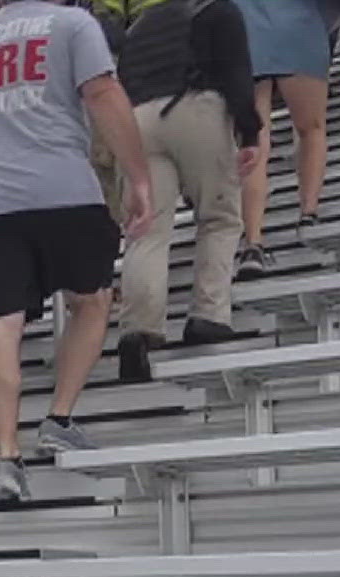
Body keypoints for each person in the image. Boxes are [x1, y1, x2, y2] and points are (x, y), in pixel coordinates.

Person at [0, 0, 154, 505]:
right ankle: (59, 417)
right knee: (92, 300)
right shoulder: (73, 24)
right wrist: (138, 176)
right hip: (63, 189)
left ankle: (6, 458)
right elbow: (101, 91)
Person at [93, 0, 261, 382]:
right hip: (196, 107)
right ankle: (209, 314)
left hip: (137, 120)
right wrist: (250, 132)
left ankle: (139, 328)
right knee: (219, 217)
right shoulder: (217, 11)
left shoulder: (141, 26)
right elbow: (236, 73)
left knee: (146, 228)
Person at [236, 0, 334, 279]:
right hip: (299, 29)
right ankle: (308, 213)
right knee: (311, 129)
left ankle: (252, 242)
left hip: (247, 35)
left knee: (254, 139)